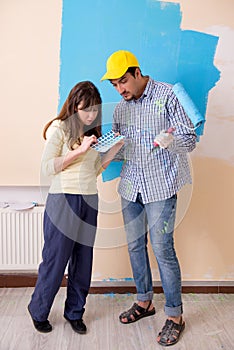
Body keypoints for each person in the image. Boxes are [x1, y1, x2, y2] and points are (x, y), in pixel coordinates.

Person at [101, 50, 197, 346]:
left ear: (137, 72)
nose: (120, 90)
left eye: (123, 82)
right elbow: (120, 146)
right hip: (131, 187)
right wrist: (100, 152)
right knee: (134, 246)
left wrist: (170, 140)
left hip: (161, 187)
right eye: (115, 85)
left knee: (162, 249)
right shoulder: (121, 108)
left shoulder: (168, 96)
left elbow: (190, 139)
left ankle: (174, 316)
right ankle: (144, 302)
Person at [28, 81, 123, 334]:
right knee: (55, 259)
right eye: (85, 110)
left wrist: (112, 151)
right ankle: (38, 311)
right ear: (74, 106)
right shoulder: (60, 128)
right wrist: (79, 150)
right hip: (63, 199)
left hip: (89, 199)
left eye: (94, 111)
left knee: (83, 260)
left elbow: (93, 171)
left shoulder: (94, 132)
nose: (90, 115)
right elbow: (48, 167)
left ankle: (75, 312)